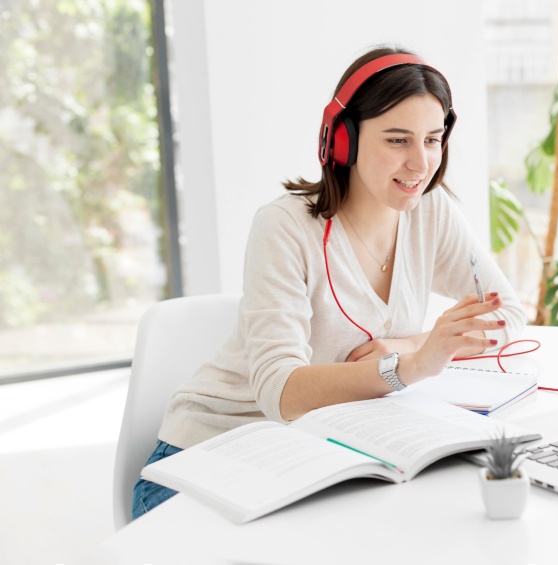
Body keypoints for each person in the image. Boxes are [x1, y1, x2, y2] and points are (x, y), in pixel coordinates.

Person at [131, 46, 526, 519]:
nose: (420, 164)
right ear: (344, 141)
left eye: (432, 140)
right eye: (397, 140)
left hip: (318, 454)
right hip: (209, 458)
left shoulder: (432, 212)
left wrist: (412, 345)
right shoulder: (283, 227)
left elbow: (507, 315)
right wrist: (411, 365)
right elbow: (281, 393)